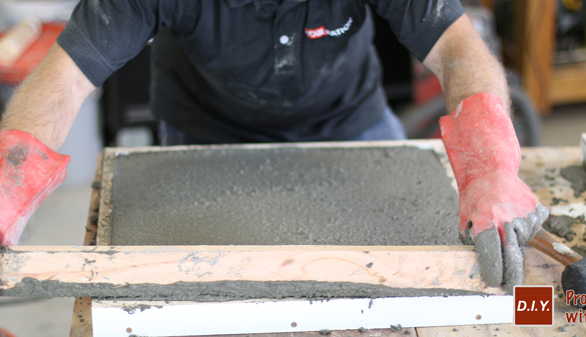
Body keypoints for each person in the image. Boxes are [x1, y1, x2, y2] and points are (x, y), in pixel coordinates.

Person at [0, 0, 548, 293]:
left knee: (417, 283)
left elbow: (458, 49)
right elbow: (64, 80)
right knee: (201, 294)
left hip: (349, 123)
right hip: (204, 134)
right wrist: (8, 187)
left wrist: (491, 164)